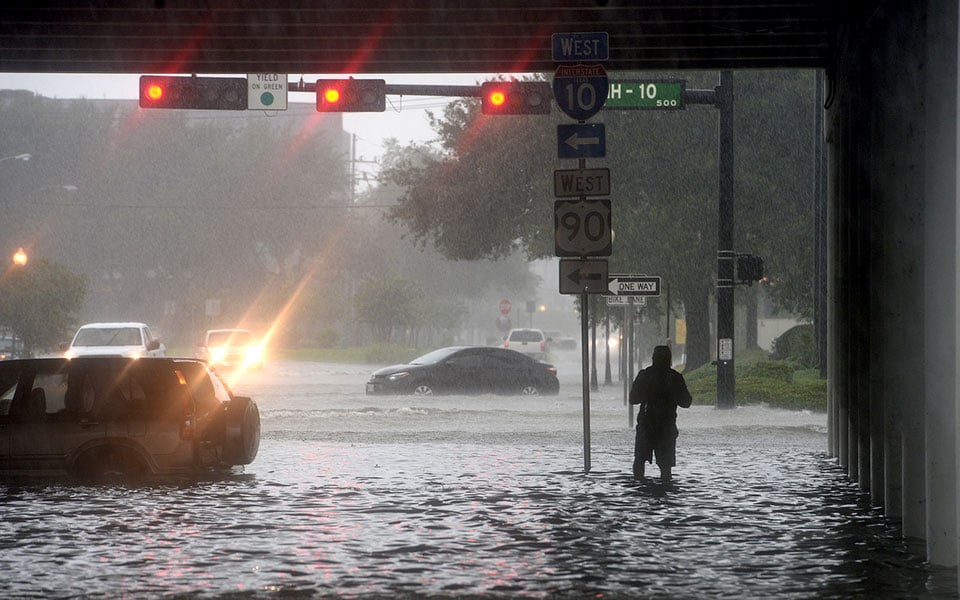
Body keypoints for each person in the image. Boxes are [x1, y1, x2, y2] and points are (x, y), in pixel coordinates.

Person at [629, 345, 692, 482]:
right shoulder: (675, 377)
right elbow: (686, 402)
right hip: (666, 426)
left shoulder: (645, 375)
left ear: (653, 358)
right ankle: (665, 489)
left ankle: (638, 486)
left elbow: (633, 399)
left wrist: (647, 392)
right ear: (669, 360)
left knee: (640, 459)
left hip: (647, 424)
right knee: (665, 466)